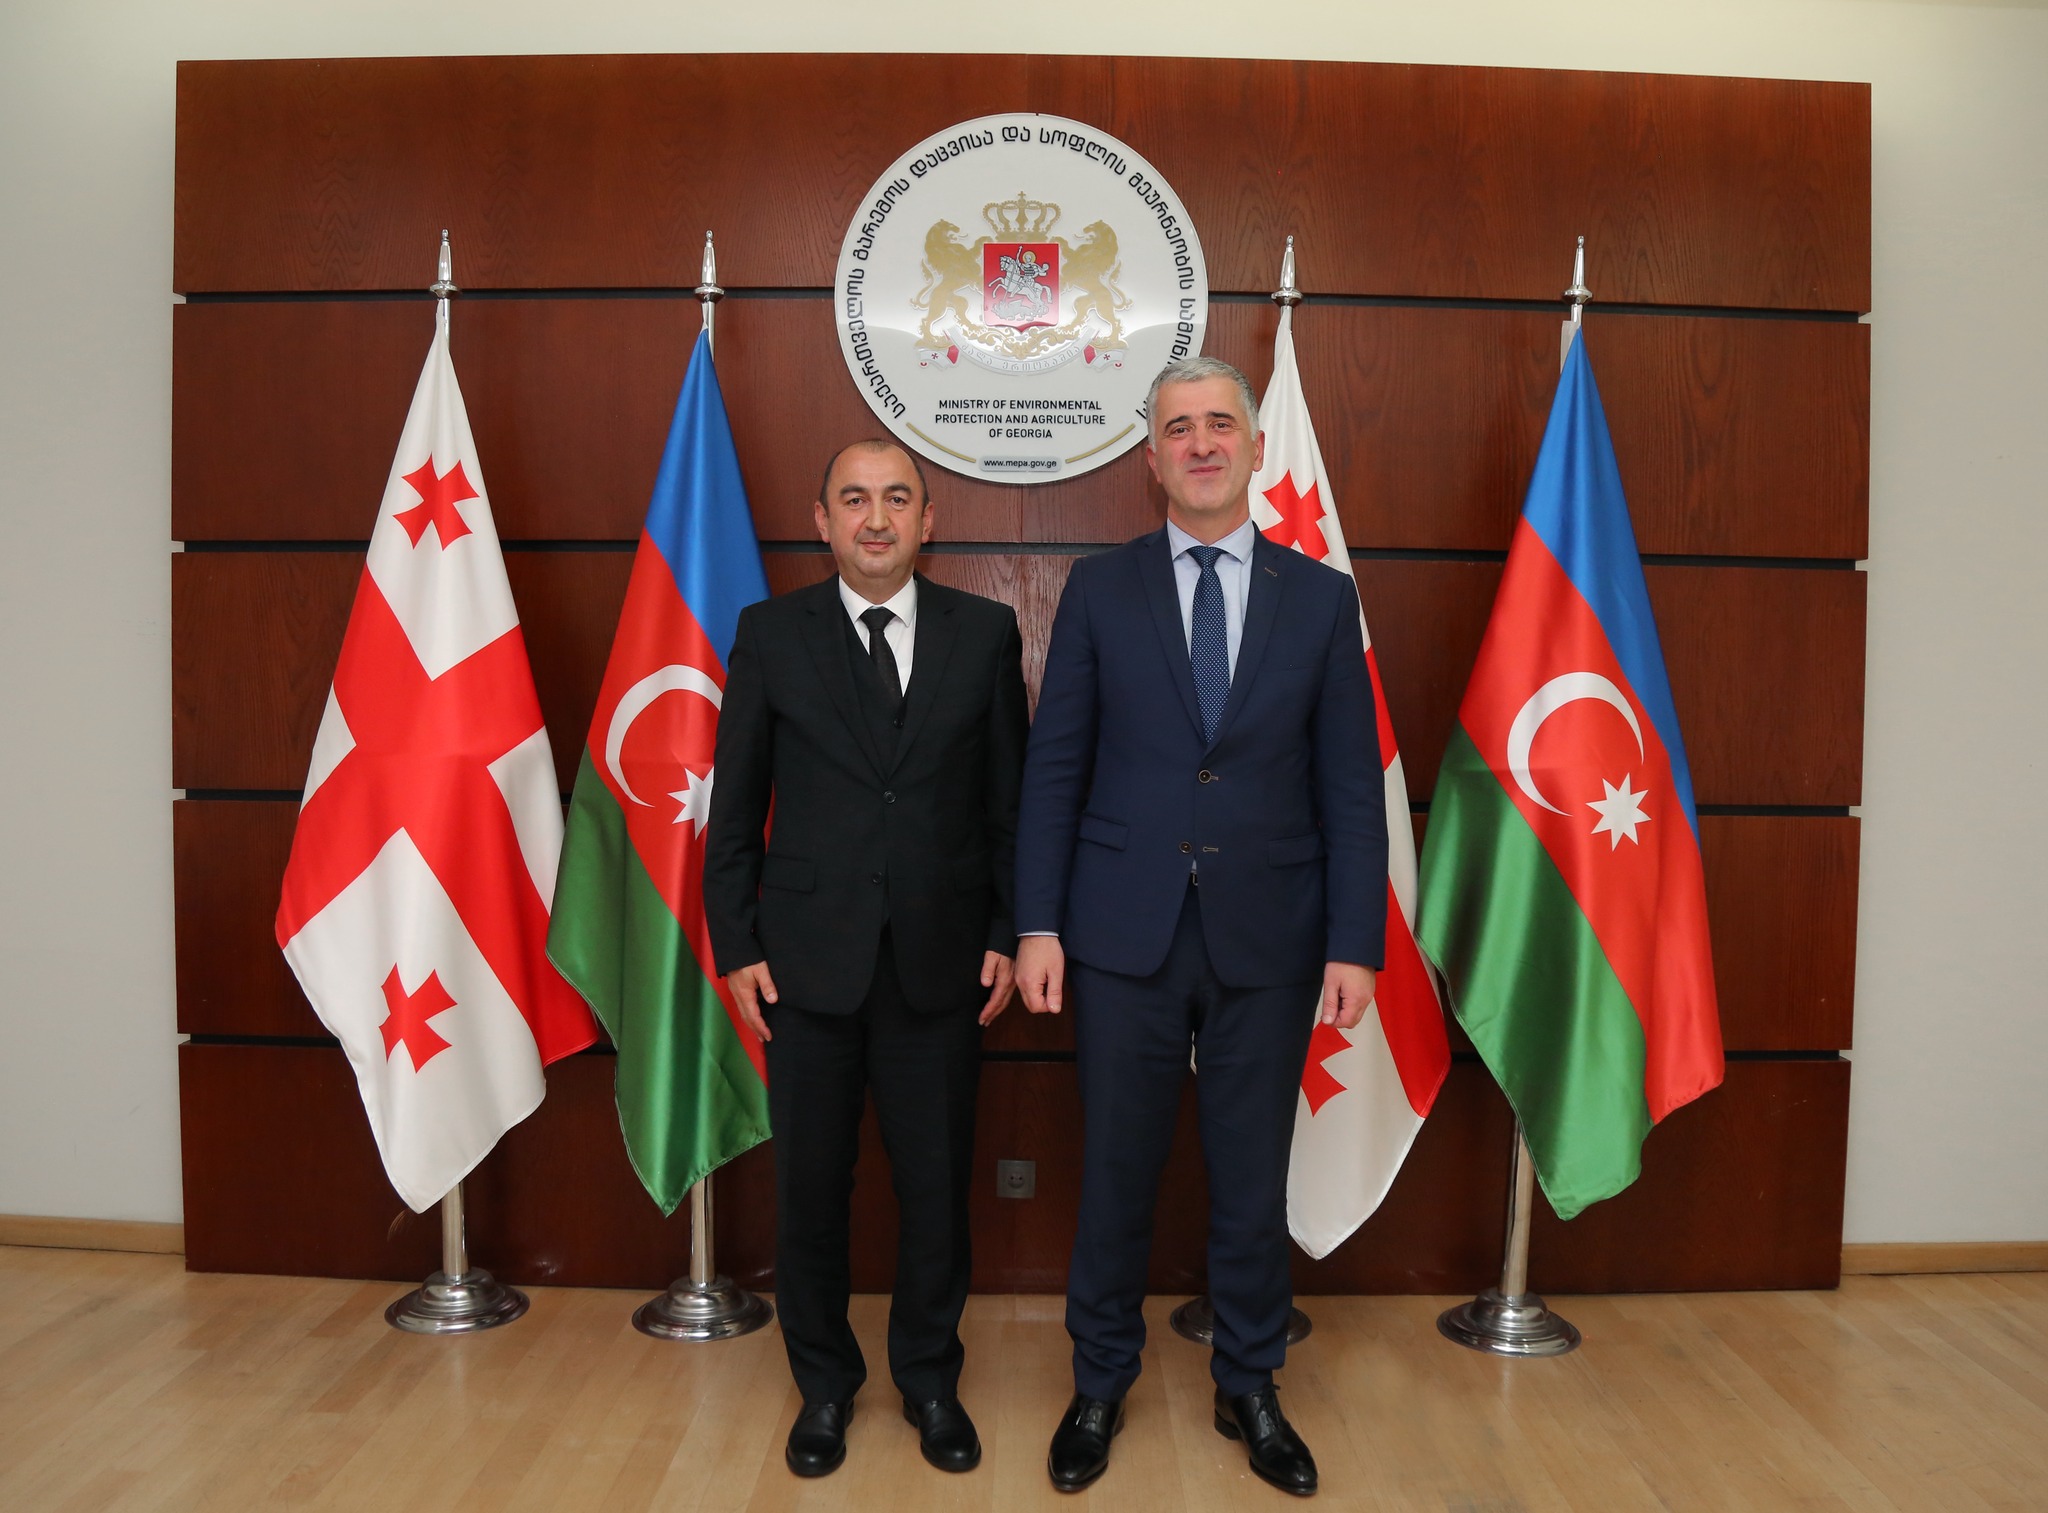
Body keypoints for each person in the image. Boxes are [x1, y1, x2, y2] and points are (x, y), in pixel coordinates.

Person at [1014, 357, 1387, 1497]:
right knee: (1115, 1174)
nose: (1202, 443)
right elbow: (1055, 769)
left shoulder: (1319, 599)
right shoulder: (1100, 588)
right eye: (1178, 428)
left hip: (1270, 936)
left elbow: (1349, 788)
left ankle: (1250, 1382)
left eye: (1220, 423)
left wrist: (1355, 940)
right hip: (1118, 933)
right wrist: (1037, 924)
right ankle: (1098, 1381)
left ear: (1254, 447)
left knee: (1249, 1177)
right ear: (1152, 458)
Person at [703, 439, 1028, 1479]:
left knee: (935, 1188)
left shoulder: (985, 633)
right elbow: (733, 810)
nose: (875, 518)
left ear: (928, 521)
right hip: (803, 968)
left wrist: (1005, 931)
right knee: (810, 1190)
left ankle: (930, 1378)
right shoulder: (770, 634)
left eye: (896, 499)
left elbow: (1008, 809)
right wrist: (736, 944)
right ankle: (825, 1386)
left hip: (943, 964)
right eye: (854, 498)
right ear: (823, 519)